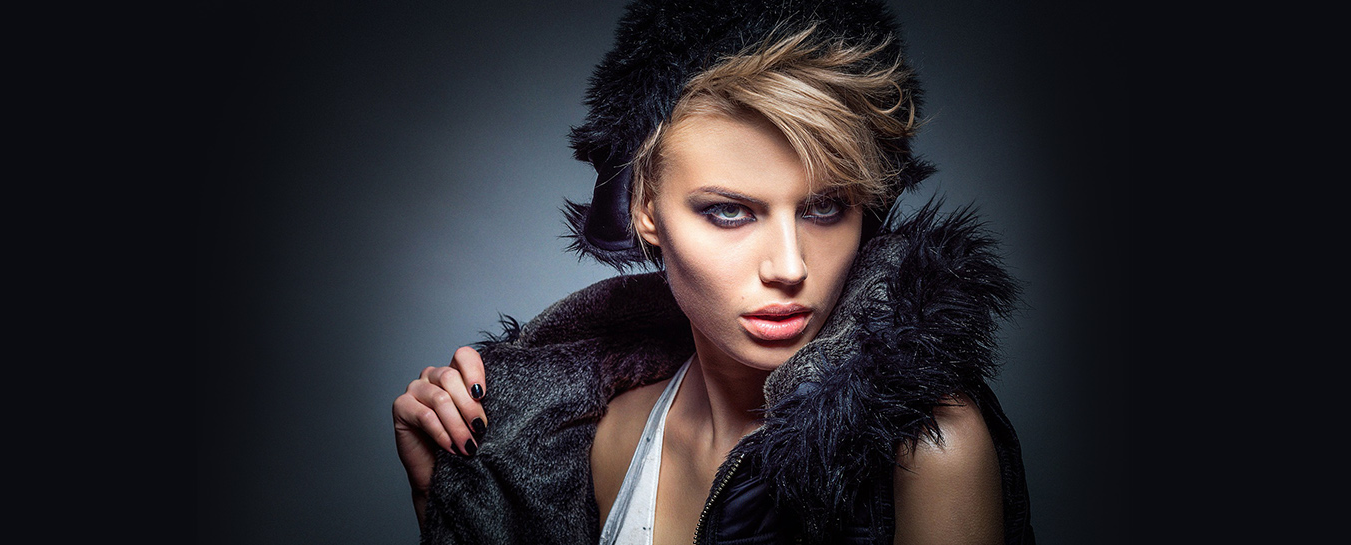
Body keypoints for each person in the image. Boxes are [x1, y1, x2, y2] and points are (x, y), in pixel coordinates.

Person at [392, 1, 1036, 543]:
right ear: (646, 210)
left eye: (824, 207)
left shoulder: (931, 449)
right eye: (729, 211)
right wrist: (452, 504)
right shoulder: (591, 436)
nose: (789, 267)